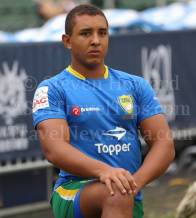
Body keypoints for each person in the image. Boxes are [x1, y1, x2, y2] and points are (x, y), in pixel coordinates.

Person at [32, 4, 175, 218]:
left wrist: (134, 183)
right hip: (74, 190)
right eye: (86, 33)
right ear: (67, 41)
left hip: (127, 193)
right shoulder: (51, 88)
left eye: (102, 33)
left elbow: (164, 144)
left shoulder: (136, 85)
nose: (96, 40)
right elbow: (54, 150)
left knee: (118, 191)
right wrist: (105, 172)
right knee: (116, 192)